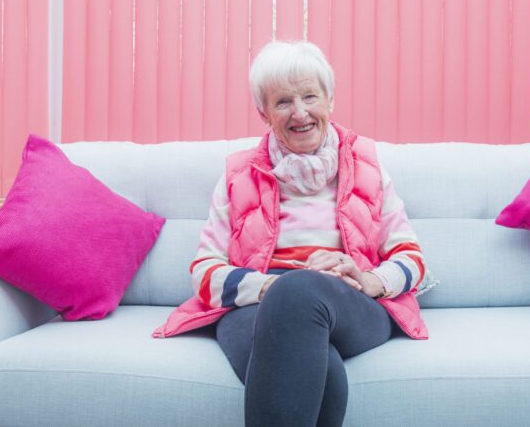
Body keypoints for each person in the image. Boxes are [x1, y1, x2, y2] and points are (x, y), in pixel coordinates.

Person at [158, 40, 428, 426]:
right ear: (263, 113)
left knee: (300, 293)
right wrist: (269, 288)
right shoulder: (238, 175)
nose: (299, 112)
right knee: (324, 371)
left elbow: (412, 260)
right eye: (283, 102)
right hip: (258, 301)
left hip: (350, 300)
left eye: (309, 96)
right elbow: (204, 272)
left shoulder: (367, 167)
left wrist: (367, 280)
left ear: (330, 100)